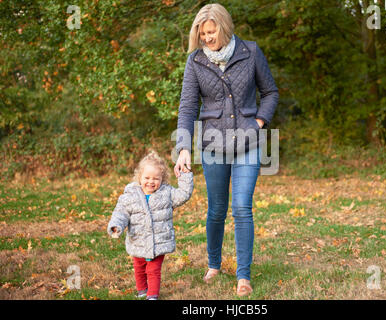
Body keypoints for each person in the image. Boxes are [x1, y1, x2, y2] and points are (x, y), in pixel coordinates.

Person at [174, 3, 278, 296]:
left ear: (225, 27)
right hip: (213, 145)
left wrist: (258, 121)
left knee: (242, 207)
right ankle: (214, 263)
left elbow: (270, 92)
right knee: (217, 209)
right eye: (202, 33)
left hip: (248, 142)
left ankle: (243, 276)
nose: (207, 38)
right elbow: (187, 107)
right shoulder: (195, 62)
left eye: (211, 31)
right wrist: (183, 147)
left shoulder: (251, 52)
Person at [108, 150, 193, 300]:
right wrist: (116, 225)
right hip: (138, 241)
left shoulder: (167, 193)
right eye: (146, 178)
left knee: (153, 270)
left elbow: (184, 194)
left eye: (156, 178)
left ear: (162, 179)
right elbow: (121, 213)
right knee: (139, 268)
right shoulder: (131, 195)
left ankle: (152, 295)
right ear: (139, 177)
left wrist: (185, 174)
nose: (151, 182)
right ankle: (142, 291)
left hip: (158, 242)